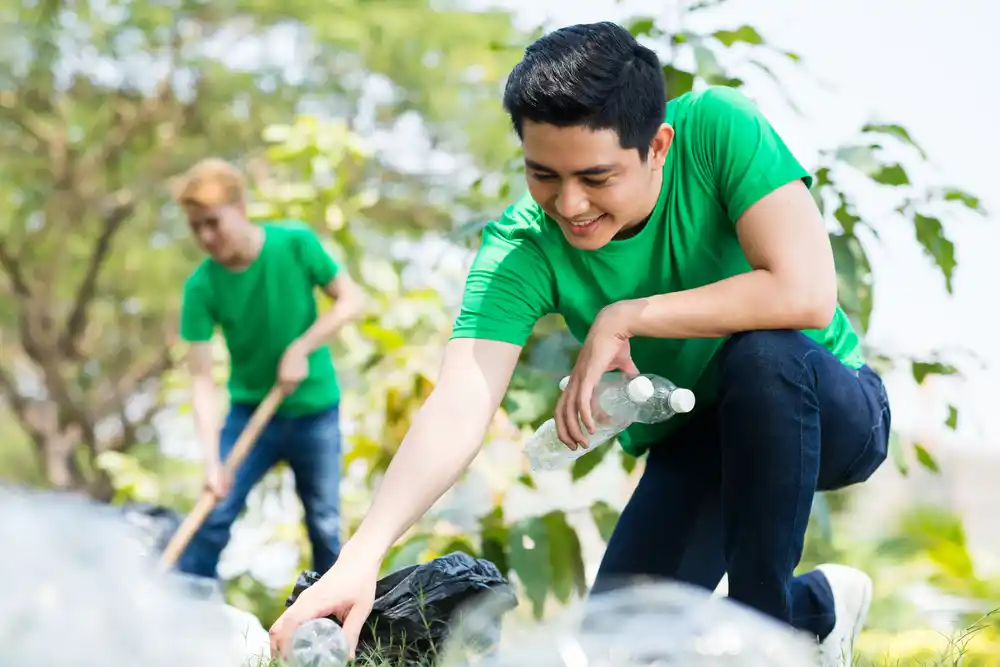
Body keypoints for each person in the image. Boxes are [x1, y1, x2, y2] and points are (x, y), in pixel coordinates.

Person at [270, 22, 891, 667]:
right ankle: (816, 609)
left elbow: (804, 293)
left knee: (763, 355)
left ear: (657, 146)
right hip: (700, 444)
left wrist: (624, 316)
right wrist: (360, 557)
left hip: (825, 408)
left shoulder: (717, 127)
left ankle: (769, 647)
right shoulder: (521, 246)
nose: (570, 204)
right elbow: (460, 403)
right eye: (544, 175)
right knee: (617, 648)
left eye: (597, 177)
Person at [171, 158, 363, 581]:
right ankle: (185, 619)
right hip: (249, 415)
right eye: (195, 227)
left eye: (212, 222)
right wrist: (210, 461)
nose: (205, 237)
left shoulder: (294, 243)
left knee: (325, 525)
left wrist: (302, 346)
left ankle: (335, 635)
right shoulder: (201, 287)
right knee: (213, 518)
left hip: (315, 411)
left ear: (239, 208)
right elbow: (201, 379)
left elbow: (350, 300)